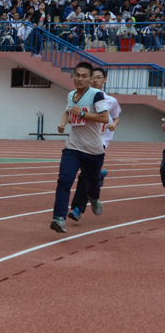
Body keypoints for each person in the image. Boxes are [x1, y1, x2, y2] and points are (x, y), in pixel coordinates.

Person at [51, 61, 111, 233]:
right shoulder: (71, 95)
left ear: (91, 79)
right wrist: (63, 123)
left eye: (84, 76)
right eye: (77, 75)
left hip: (93, 150)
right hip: (73, 147)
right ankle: (59, 218)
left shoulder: (96, 95)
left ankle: (94, 197)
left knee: (92, 184)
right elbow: (68, 112)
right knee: (64, 180)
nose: (79, 79)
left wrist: (83, 113)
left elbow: (104, 118)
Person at [69, 67, 121, 221]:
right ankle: (98, 176)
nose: (95, 80)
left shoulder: (111, 101)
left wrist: (114, 125)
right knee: (89, 173)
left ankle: (77, 209)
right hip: (83, 139)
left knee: (84, 174)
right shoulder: (82, 97)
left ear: (105, 80)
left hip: (100, 141)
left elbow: (116, 117)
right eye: (93, 77)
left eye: (99, 77)